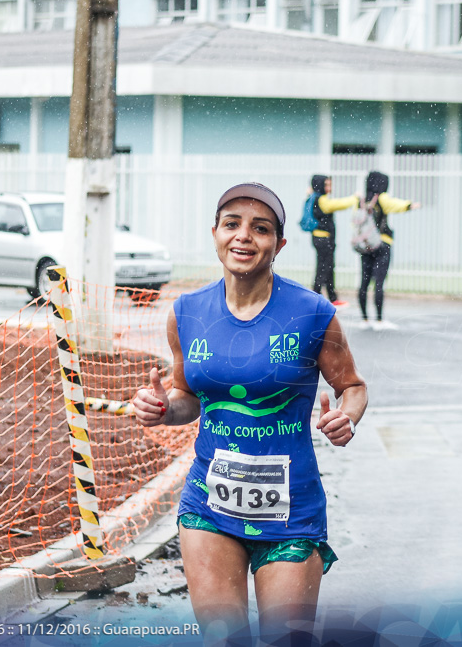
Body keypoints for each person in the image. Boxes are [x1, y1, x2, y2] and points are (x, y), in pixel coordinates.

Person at [132, 182, 367, 646]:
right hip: (209, 506)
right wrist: (163, 409)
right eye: (232, 224)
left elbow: (352, 387)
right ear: (215, 234)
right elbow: (188, 397)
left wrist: (347, 416)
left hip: (291, 511)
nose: (243, 237)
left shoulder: (312, 313)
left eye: (260, 229)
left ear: (279, 245)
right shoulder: (187, 312)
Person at [356, 171, 421, 331]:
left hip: (366, 246)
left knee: (364, 282)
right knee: (379, 282)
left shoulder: (362, 200)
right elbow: (395, 205)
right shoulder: (381, 198)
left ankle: (364, 319)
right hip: (382, 244)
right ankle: (379, 320)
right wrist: (410, 205)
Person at [307, 174, 360, 306]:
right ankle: (316, 296)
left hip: (322, 238)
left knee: (328, 268)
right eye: (326, 185)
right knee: (323, 268)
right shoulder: (322, 200)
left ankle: (332, 297)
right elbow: (338, 204)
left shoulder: (314, 197)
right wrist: (354, 198)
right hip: (323, 239)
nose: (329, 188)